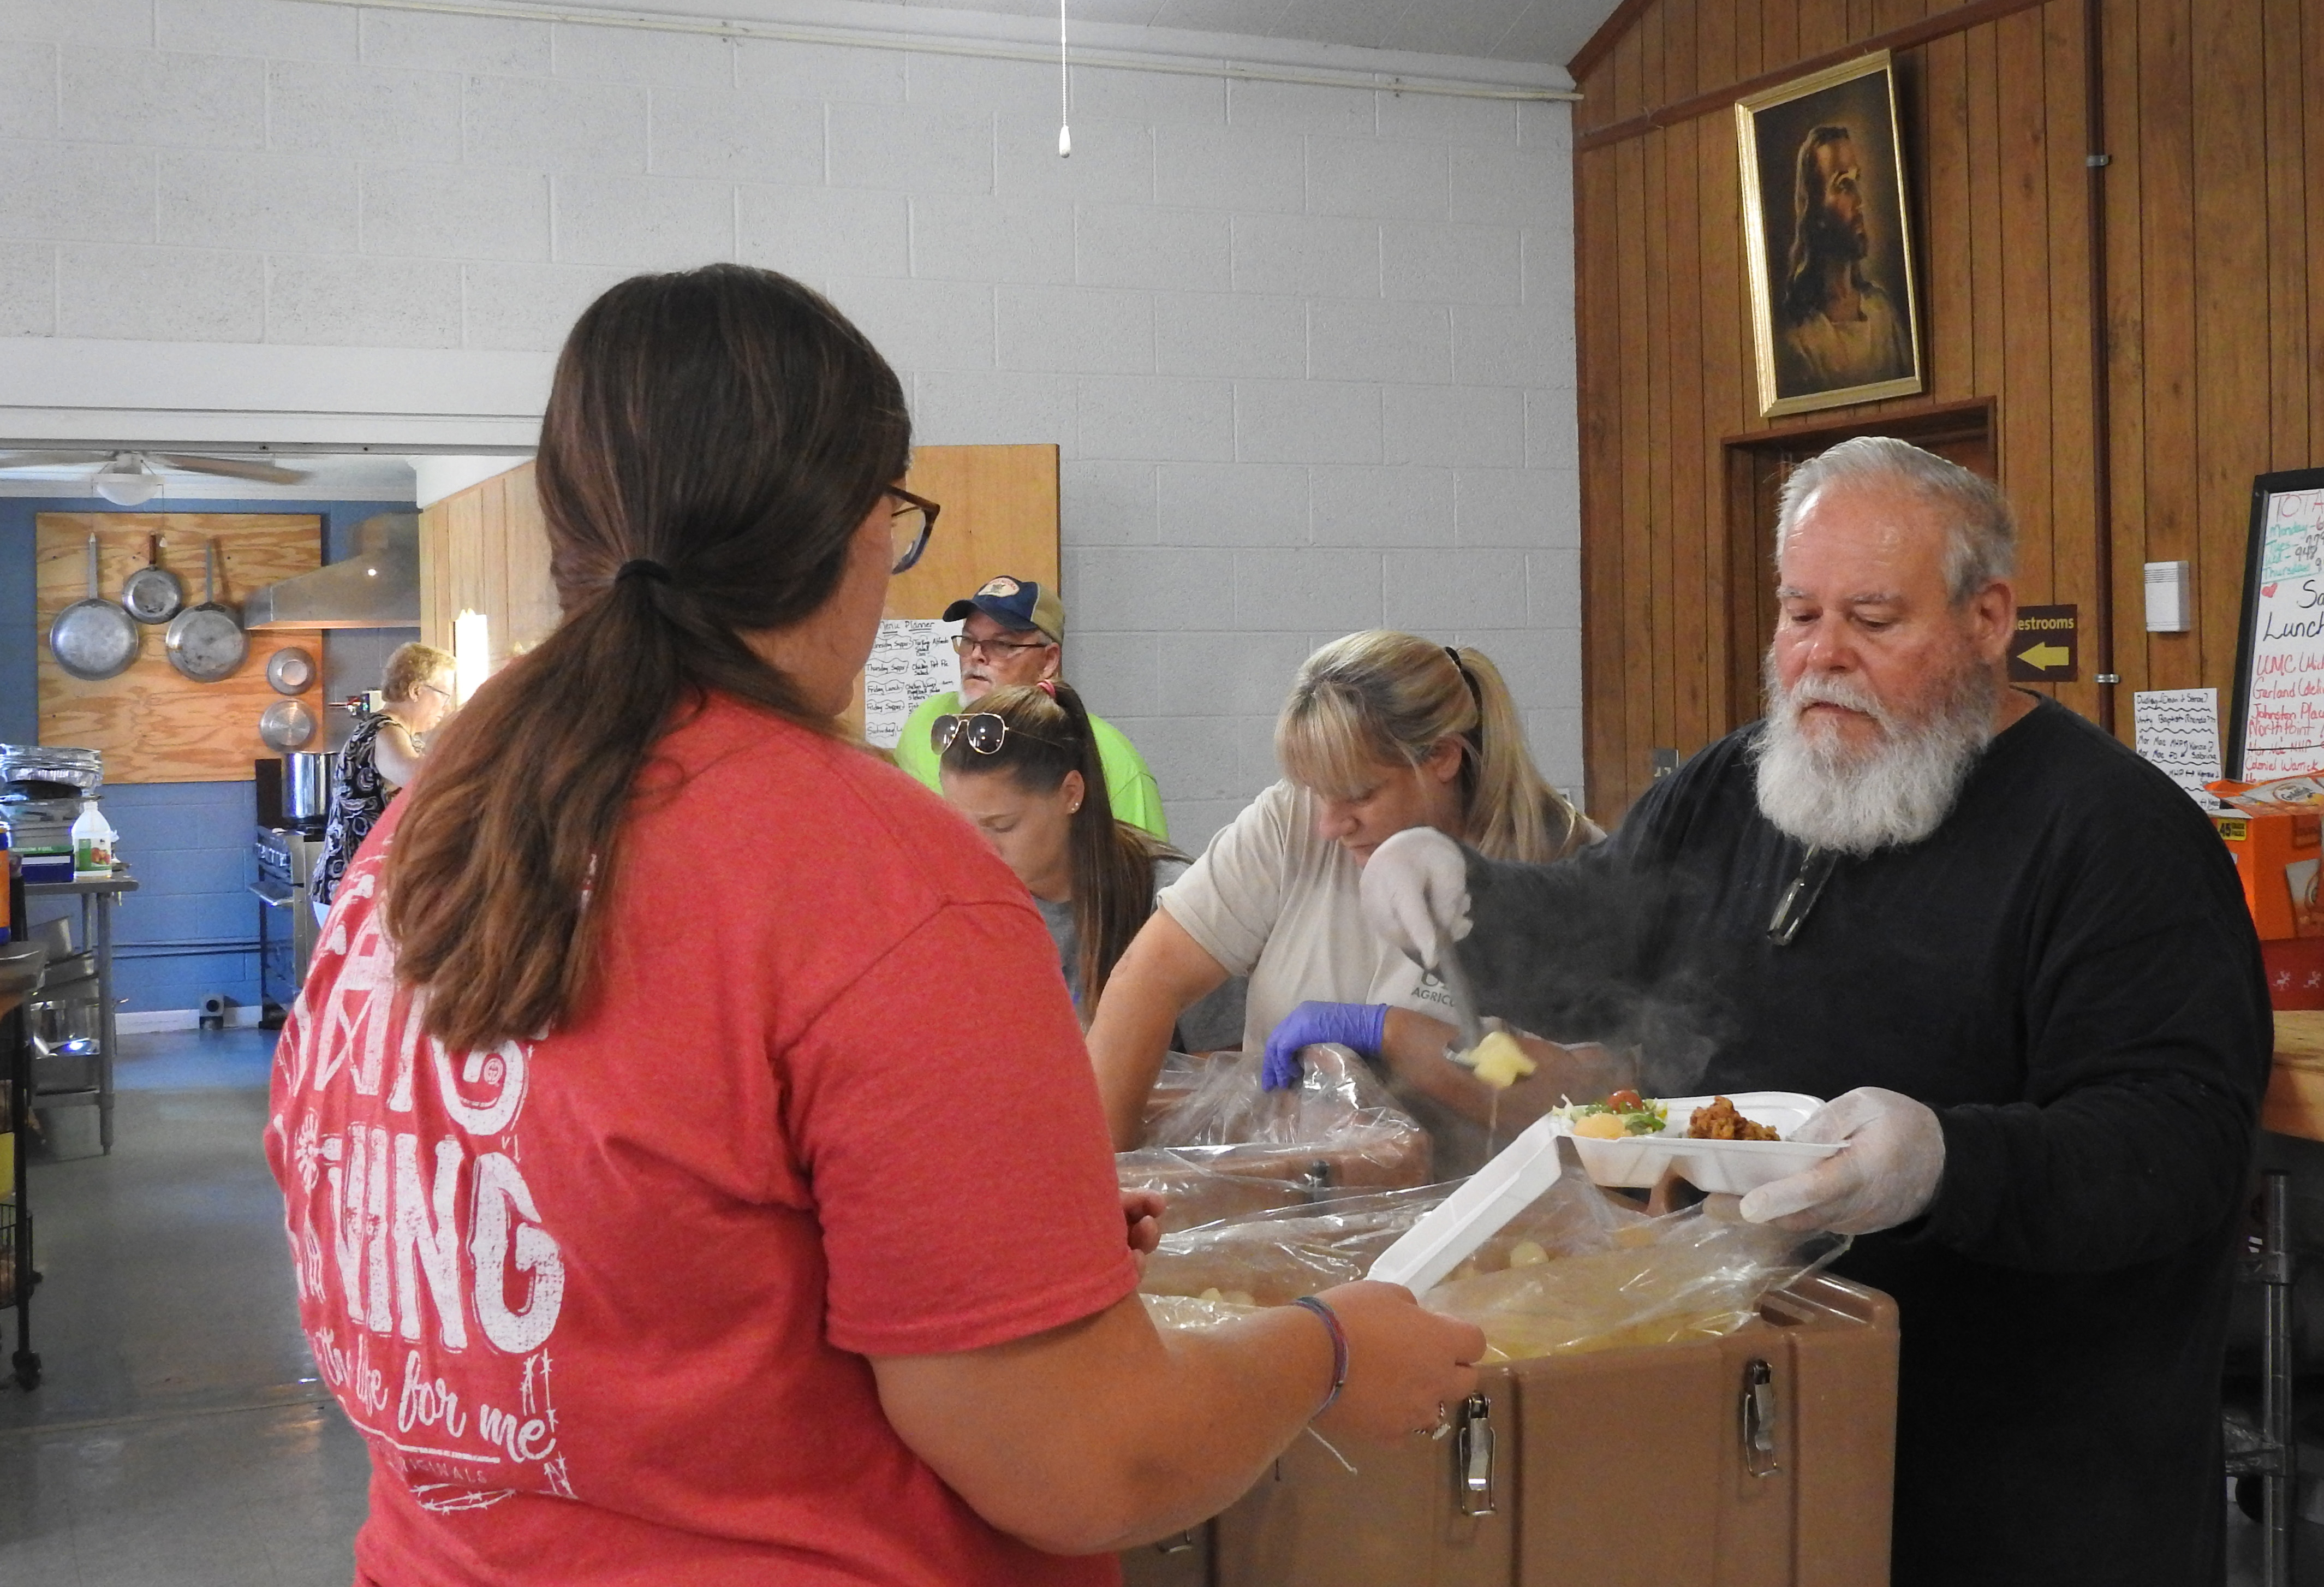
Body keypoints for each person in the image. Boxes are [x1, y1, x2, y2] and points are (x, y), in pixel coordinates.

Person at [263, 264, 1481, 1585]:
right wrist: (1332, 1346)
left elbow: (607, 1238)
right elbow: (1092, 1459)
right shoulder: (873, 874)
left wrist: (1007, 1242)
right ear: (852, 526)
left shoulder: (432, 829)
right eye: (893, 520)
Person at [1361, 436, 2270, 1587]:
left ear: (1988, 619)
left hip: (2027, 1469)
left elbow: (2179, 1141)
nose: (1820, 659)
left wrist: (1945, 1160)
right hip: (1771, 1414)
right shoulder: (1736, 784)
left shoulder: (2111, 835)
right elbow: (1602, 941)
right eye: (1798, 615)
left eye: (1872, 621)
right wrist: (1461, 895)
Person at [1086, 631, 1606, 1171]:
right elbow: (1146, 980)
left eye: (1359, 794)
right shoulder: (1290, 825)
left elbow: (1592, 1103)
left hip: (1493, 1225)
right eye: (1315, 791)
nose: (1330, 825)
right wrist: (1101, 1190)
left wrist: (1387, 1033)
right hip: (1305, 1214)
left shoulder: (1568, 871)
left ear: (1442, 758)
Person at [938, 678, 1243, 1052]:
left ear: (1071, 793)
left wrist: (1099, 1091)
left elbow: (1230, 1079)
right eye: (960, 827)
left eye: (1002, 825)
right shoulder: (966, 901)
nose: (979, 851)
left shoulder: (1172, 903)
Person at [895, 576, 1167, 839]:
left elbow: (1143, 873)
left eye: (1002, 644)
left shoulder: (1108, 756)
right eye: (968, 640)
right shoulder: (928, 722)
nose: (976, 655)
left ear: (1048, 661)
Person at [309, 640, 453, 925]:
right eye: (444, 696)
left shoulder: (389, 731)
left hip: (352, 887)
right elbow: (424, 780)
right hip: (354, 891)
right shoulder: (386, 732)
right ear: (416, 691)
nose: (446, 708)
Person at [1779, 124, 1911, 394]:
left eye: (1856, 182)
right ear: (1814, 209)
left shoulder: (1882, 312)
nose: (1860, 201)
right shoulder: (1802, 339)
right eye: (1843, 186)